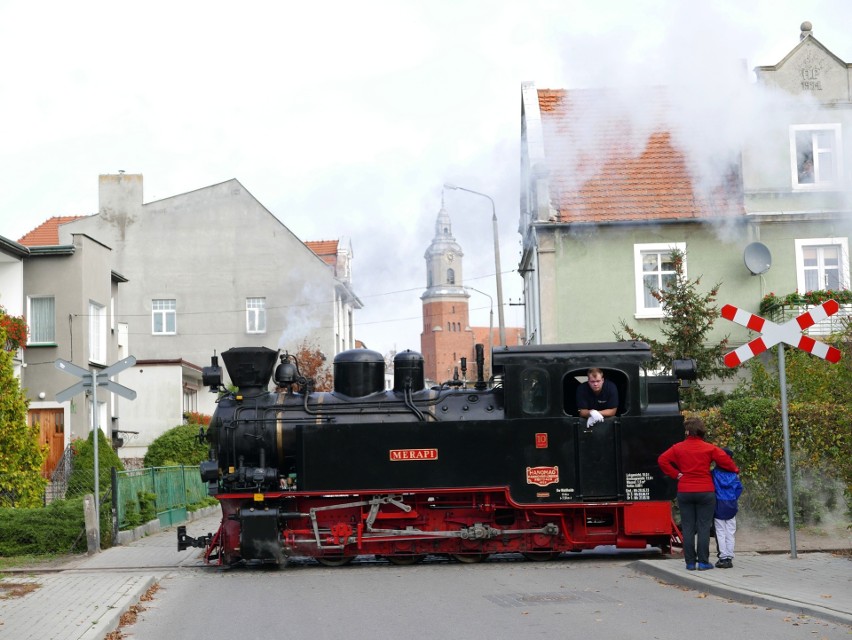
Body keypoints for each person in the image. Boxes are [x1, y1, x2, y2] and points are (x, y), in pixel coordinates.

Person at [657, 417, 739, 571]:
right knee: (703, 527)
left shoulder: (677, 448)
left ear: (687, 432)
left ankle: (689, 563)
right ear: (702, 431)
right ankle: (703, 562)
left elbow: (662, 460)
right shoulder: (709, 448)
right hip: (705, 491)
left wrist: (676, 474)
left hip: (685, 491)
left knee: (688, 527)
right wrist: (735, 470)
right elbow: (725, 461)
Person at [712, 447, 743, 569]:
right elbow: (739, 488)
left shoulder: (714, 473)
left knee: (720, 531)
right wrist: (733, 498)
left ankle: (723, 557)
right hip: (731, 504)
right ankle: (730, 557)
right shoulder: (734, 474)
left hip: (719, 503)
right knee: (731, 531)